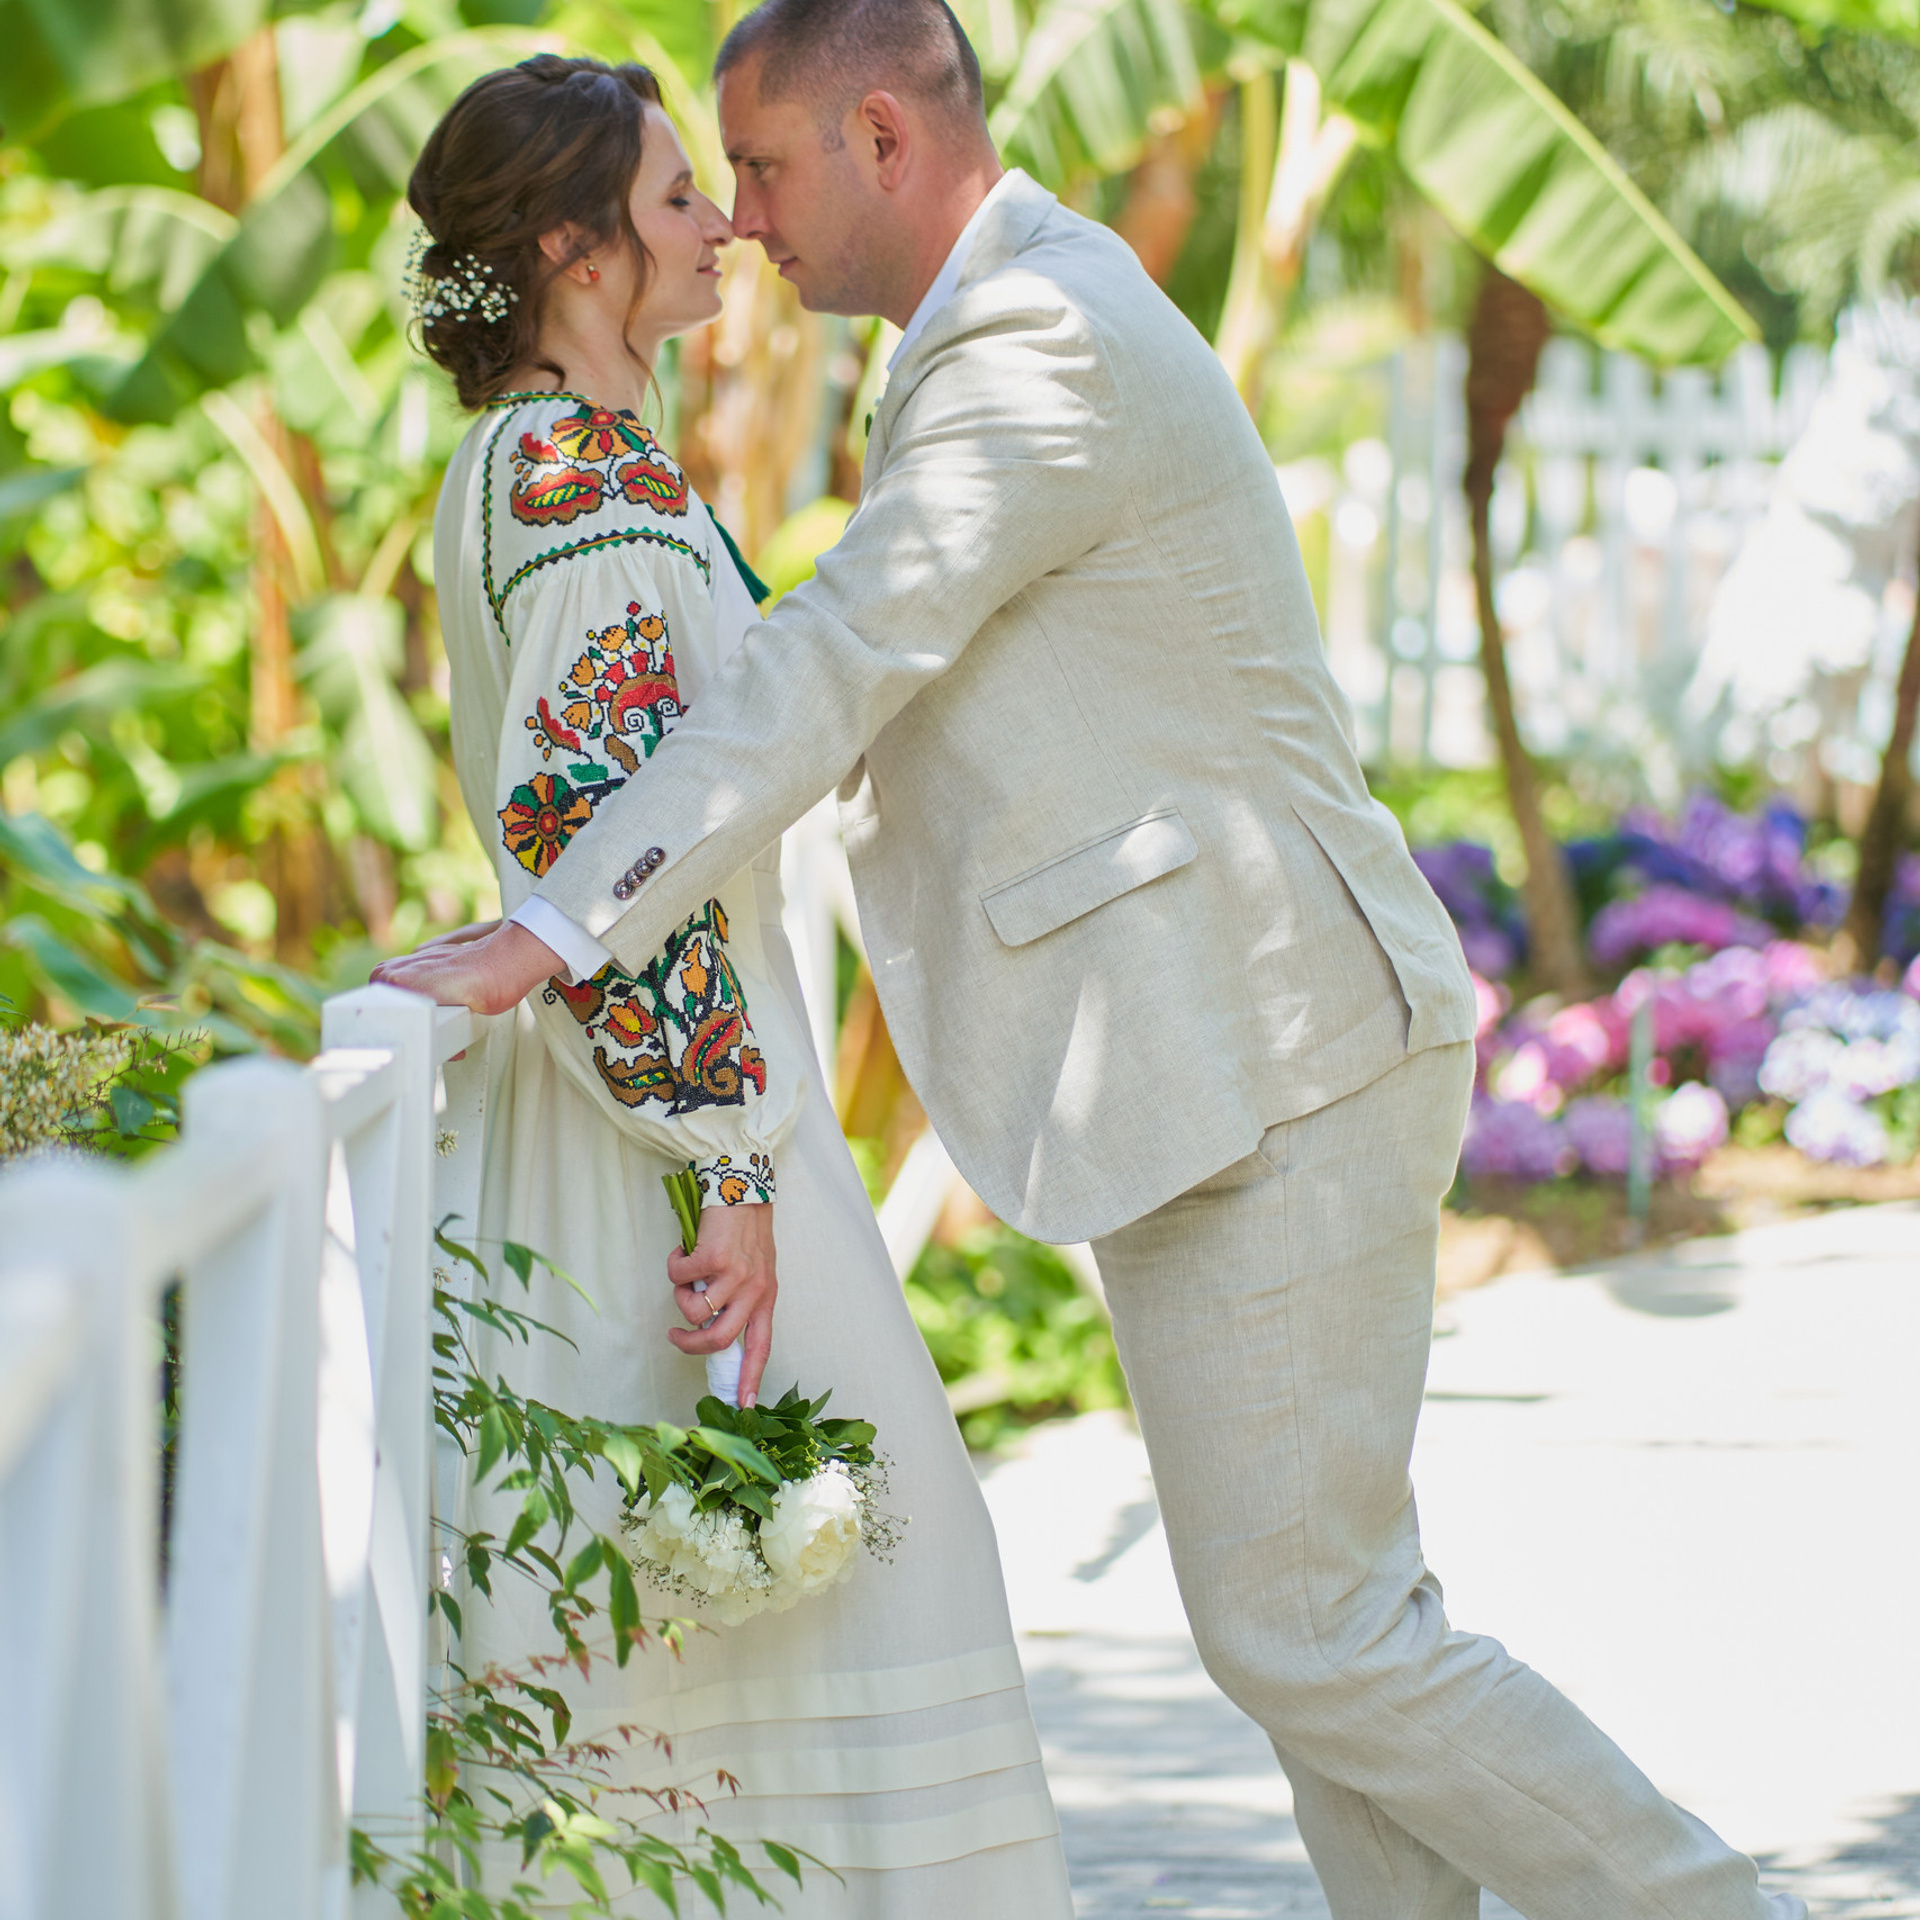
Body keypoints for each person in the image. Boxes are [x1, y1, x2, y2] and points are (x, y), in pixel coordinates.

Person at [376, 8, 1809, 1920]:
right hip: (1194, 1062)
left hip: (1273, 1047)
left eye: (769, 171)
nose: (743, 223)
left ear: (881, 135)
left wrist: (558, 922)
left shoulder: (1034, 337)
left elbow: (839, 657)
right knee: (1329, 1652)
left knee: (1319, 1638)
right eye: (697, 188)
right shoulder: (969, 333)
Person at [381, 54, 1073, 1916]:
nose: (724, 231)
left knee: (749, 1644)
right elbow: (597, 827)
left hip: (640, 1106)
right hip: (672, 1142)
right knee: (842, 1596)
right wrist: (727, 1160)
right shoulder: (575, 477)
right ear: (574, 253)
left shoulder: (535, 464)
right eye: (680, 199)